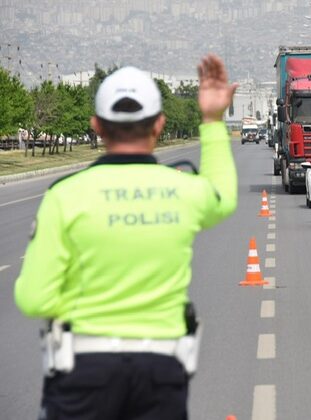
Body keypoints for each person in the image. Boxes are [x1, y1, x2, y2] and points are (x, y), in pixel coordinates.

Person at [14, 54, 238, 419]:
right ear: (160, 125)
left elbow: (34, 299)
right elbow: (223, 196)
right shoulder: (183, 190)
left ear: (97, 126)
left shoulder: (64, 196)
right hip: (161, 373)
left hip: (83, 372)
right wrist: (212, 120)